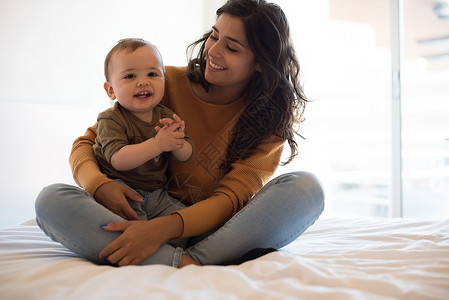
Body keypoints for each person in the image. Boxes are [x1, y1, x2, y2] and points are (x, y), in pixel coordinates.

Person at [35, 0, 325, 268]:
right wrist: (99, 185)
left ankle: (178, 259)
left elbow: (231, 199)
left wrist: (160, 230)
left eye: (232, 48)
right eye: (214, 35)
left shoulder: (269, 122)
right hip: (139, 212)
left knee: (306, 189)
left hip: (212, 231)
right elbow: (87, 143)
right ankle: (188, 264)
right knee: (51, 200)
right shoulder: (160, 83)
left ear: (261, 63)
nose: (213, 51)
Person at [93, 38, 194, 223]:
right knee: (135, 226)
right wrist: (158, 144)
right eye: (130, 76)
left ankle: (166, 245)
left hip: (156, 193)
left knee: (185, 219)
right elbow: (118, 160)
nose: (143, 82)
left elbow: (185, 156)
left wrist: (178, 142)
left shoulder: (166, 116)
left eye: (152, 74)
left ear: (164, 80)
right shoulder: (110, 119)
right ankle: (146, 243)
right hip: (120, 190)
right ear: (111, 90)